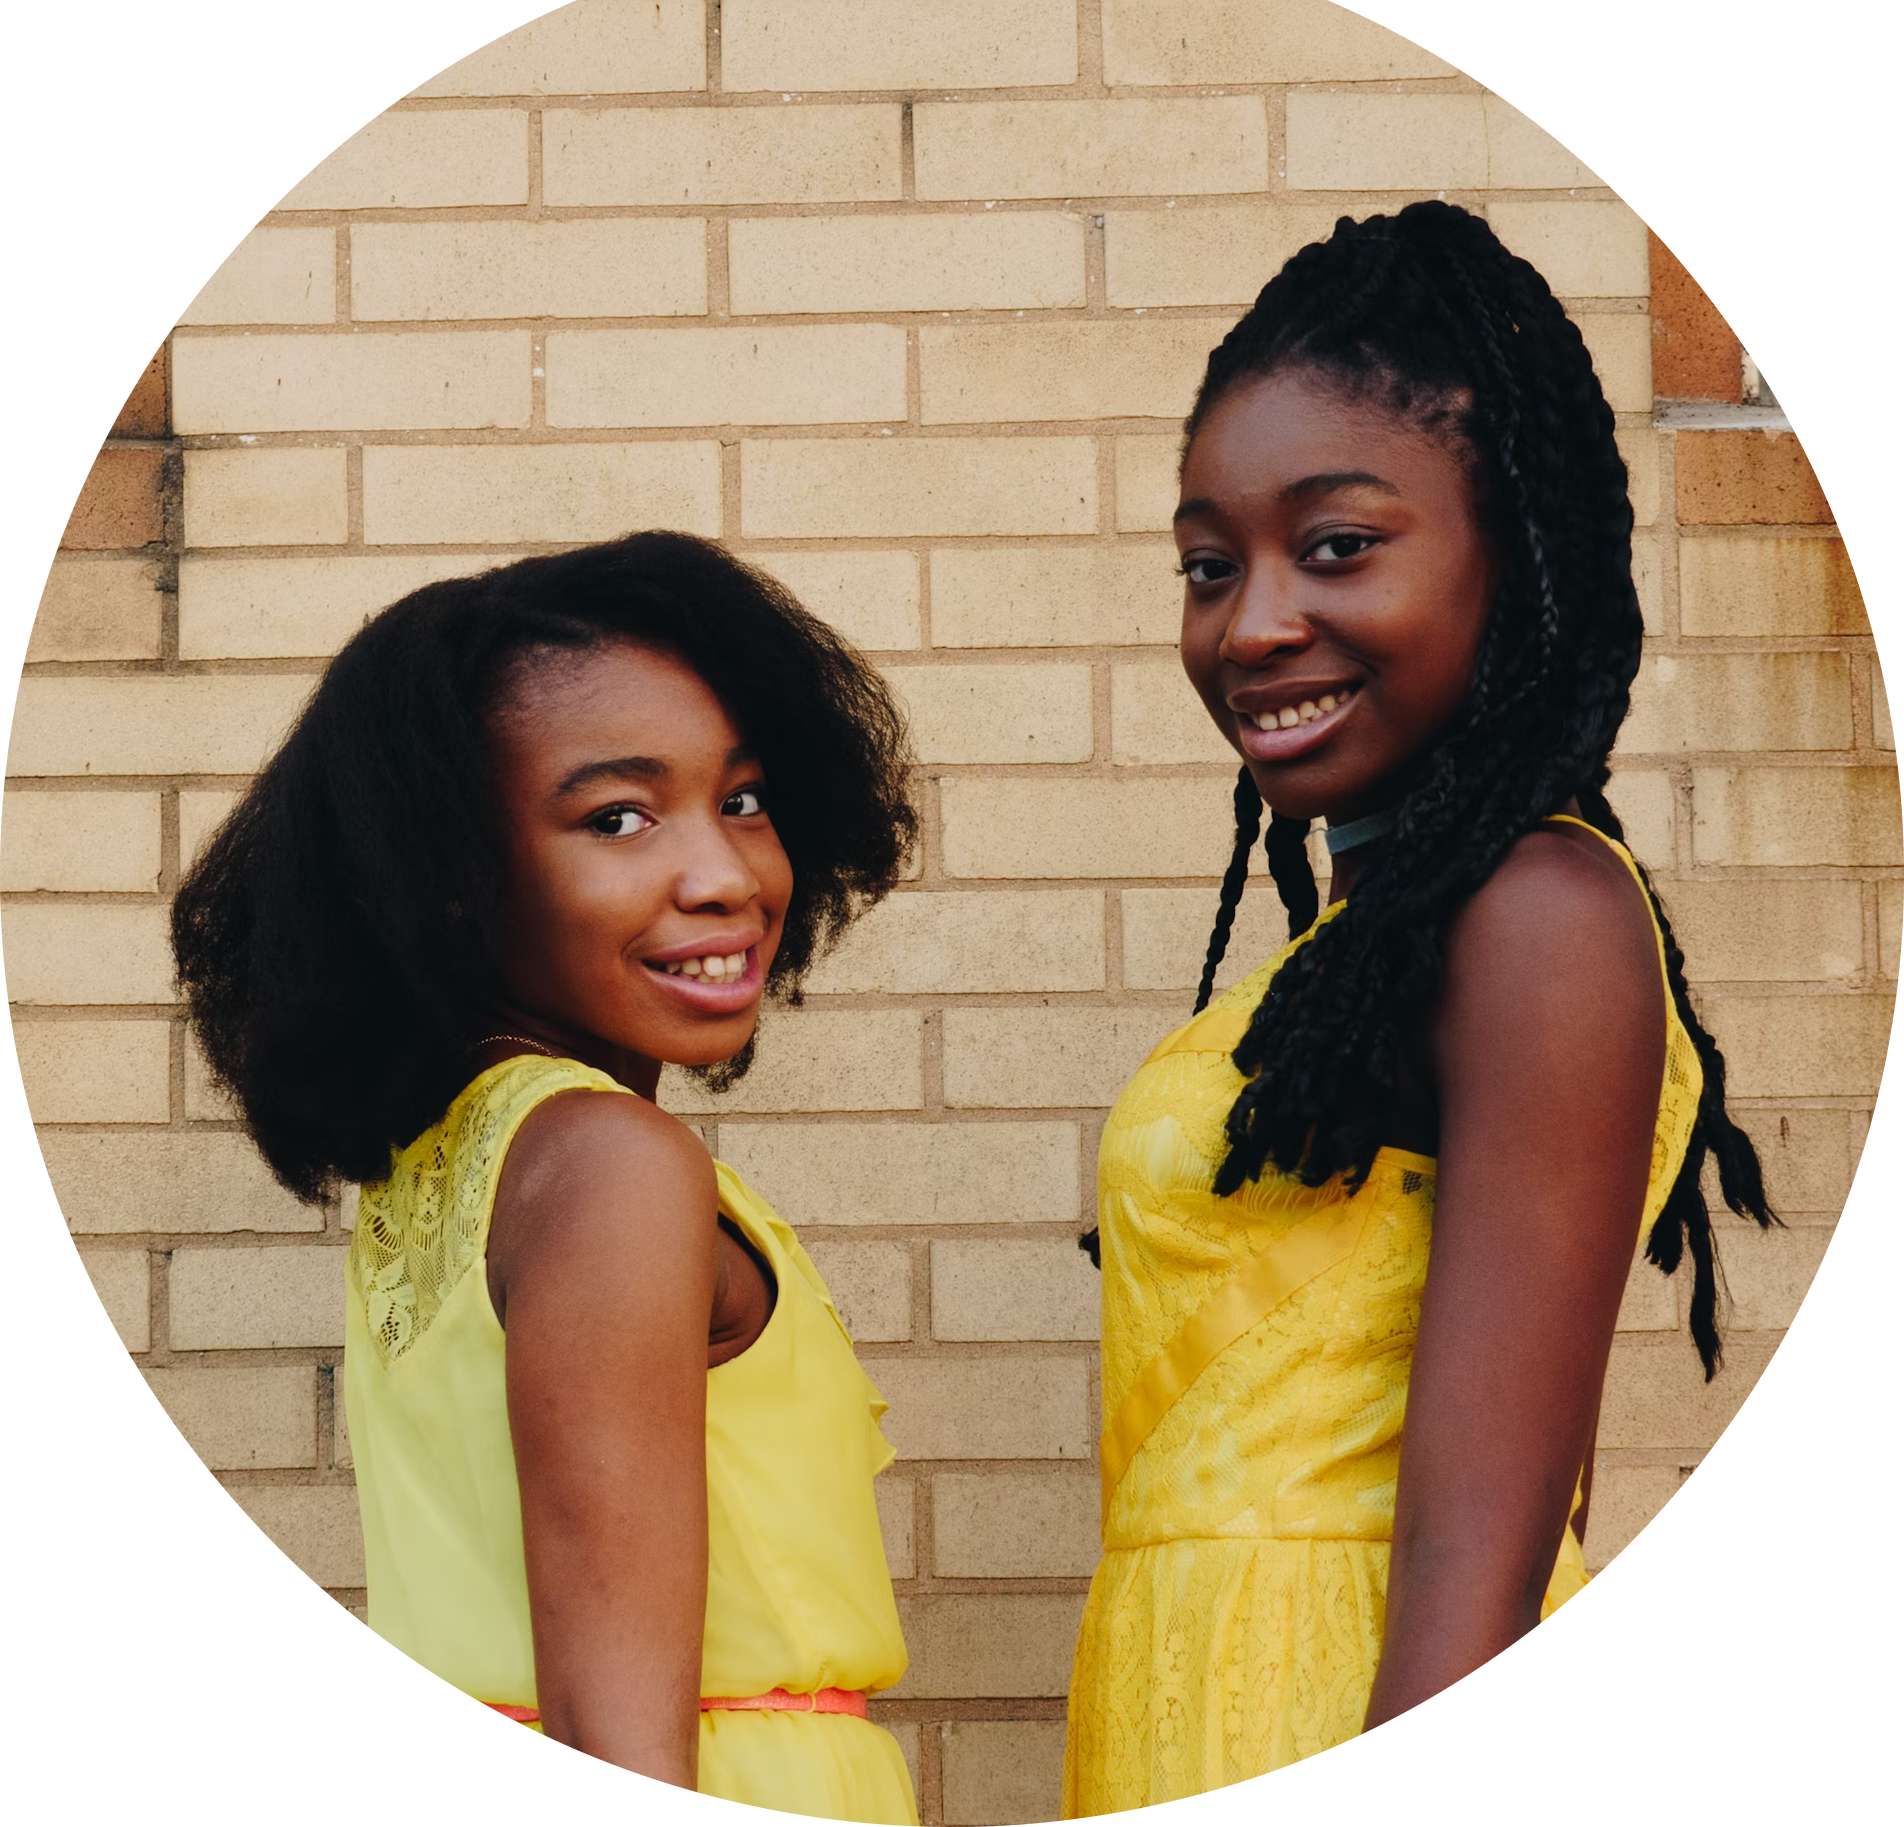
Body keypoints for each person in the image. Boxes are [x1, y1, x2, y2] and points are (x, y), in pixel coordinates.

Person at [1063, 202, 1775, 1812]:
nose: (1249, 625)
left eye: (1336, 547)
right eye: (1206, 564)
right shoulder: (1383, 936)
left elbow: (1489, 1536)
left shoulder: (1536, 915)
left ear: (1512, 551)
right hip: (1190, 1701)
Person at [173, 536, 921, 1820]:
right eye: (616, 817)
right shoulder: (608, 1166)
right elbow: (614, 1726)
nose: (725, 874)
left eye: (741, 797)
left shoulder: (468, 1164)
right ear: (454, 883)